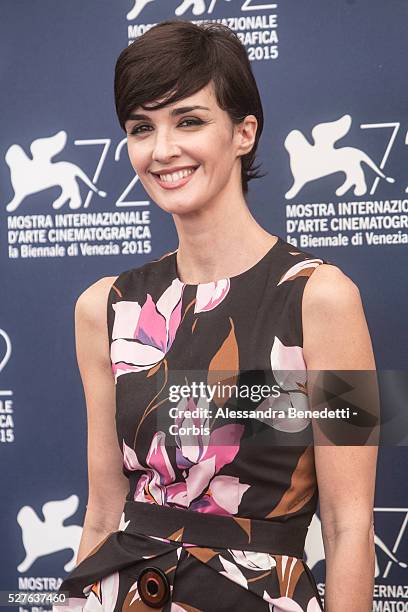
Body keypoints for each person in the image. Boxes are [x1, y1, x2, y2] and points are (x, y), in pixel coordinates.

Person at [55, 19, 378, 612]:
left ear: (244, 132)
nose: (162, 150)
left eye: (190, 120)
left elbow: (349, 525)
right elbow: (103, 508)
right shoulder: (105, 307)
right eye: (141, 128)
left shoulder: (322, 298)